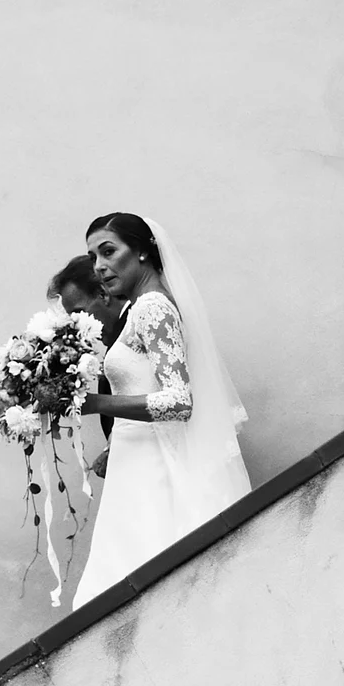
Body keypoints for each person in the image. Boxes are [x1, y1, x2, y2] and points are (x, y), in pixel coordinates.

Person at [70, 212, 253, 608]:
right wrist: (114, 446)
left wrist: (93, 403)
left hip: (152, 471)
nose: (99, 267)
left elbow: (178, 401)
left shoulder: (152, 306)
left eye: (108, 252)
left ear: (141, 252)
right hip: (134, 462)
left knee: (135, 588)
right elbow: (145, 387)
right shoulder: (136, 308)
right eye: (93, 258)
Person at [47, 255, 125, 475]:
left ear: (103, 294)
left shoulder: (135, 334)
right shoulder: (116, 345)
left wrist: (95, 403)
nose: (76, 326)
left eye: (78, 312)